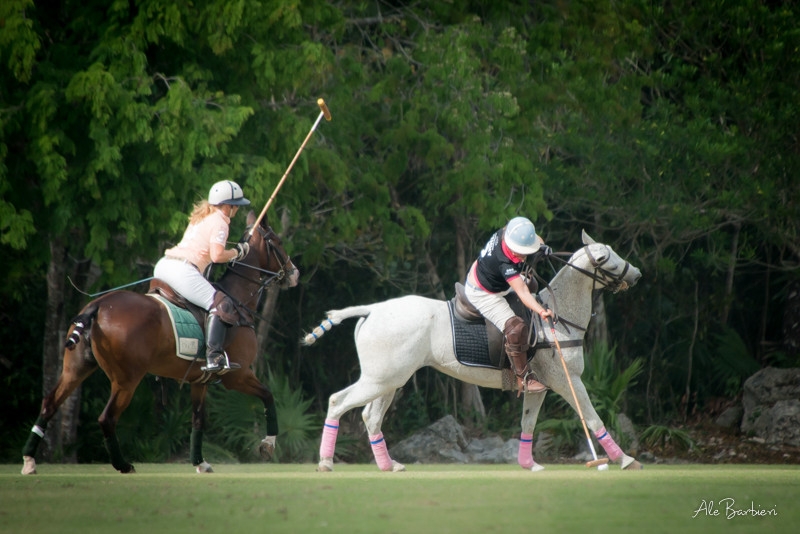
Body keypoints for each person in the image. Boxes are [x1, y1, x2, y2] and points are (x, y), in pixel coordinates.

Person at [153, 180, 251, 374]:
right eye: (236, 205)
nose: (238, 209)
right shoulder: (220, 222)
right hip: (182, 271)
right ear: (227, 205)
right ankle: (214, 356)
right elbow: (217, 256)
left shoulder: (202, 216)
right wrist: (238, 252)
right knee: (222, 304)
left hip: (163, 266)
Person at [464, 216, 554, 394]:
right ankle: (524, 378)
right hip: (483, 293)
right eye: (519, 251)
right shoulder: (504, 263)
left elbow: (536, 239)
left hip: (489, 276)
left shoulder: (507, 231)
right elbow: (522, 292)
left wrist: (541, 247)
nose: (522, 255)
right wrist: (541, 311)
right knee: (516, 329)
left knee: (533, 284)